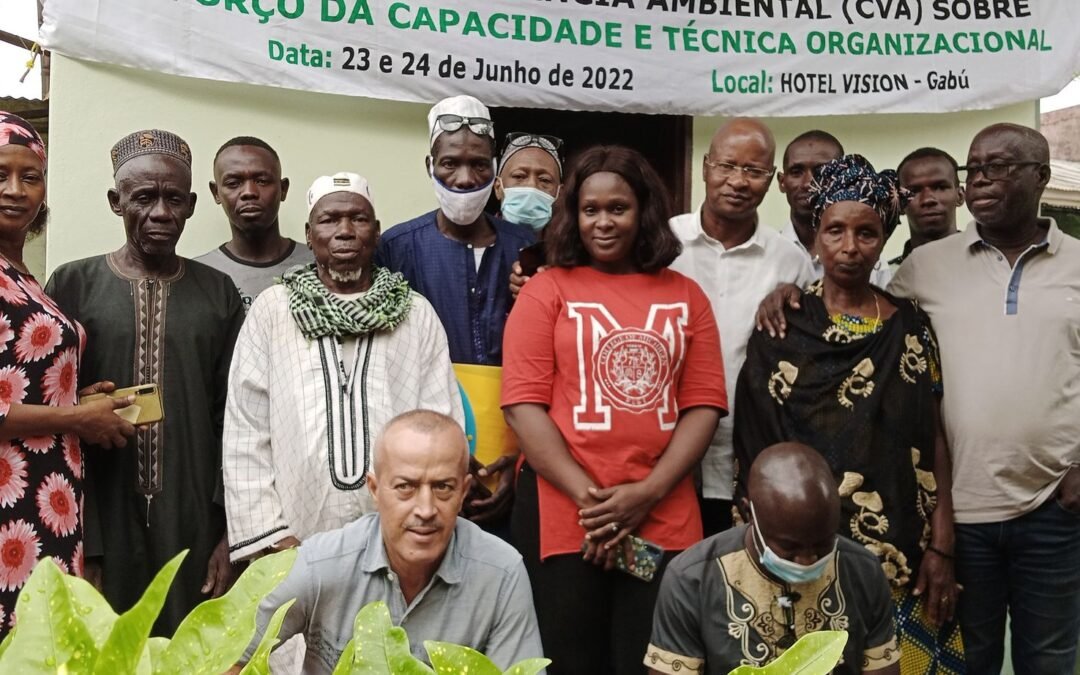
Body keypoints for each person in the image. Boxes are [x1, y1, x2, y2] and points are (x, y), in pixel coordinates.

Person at [502, 145, 727, 674]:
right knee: (568, 661)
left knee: (654, 661)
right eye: (589, 209)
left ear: (644, 210)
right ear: (573, 215)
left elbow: (703, 406)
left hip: (661, 514)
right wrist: (597, 509)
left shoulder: (687, 297)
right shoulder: (546, 291)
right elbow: (522, 404)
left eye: (617, 208)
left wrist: (643, 496)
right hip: (564, 515)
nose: (603, 222)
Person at [735, 155, 963, 674]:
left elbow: (936, 438)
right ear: (815, 234)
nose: (849, 246)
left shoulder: (910, 324)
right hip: (798, 553)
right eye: (835, 230)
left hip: (902, 551)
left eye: (867, 233)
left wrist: (943, 544)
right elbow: (755, 443)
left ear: (883, 239)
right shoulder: (784, 324)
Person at [888, 124, 1080, 674]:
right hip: (959, 518)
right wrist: (792, 295)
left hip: (1054, 509)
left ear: (1040, 176)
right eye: (975, 168)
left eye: (1000, 166)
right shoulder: (926, 267)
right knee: (967, 662)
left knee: (1049, 660)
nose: (982, 180)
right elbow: (865, 329)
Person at [46, 129, 246, 636]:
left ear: (194, 204)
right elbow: (53, 419)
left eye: (174, 199)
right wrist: (80, 541)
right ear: (117, 202)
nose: (161, 212)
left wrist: (226, 534)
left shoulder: (218, 292)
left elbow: (236, 418)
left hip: (193, 518)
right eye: (144, 198)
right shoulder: (73, 284)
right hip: (98, 515)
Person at [224, 171, 462, 562]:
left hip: (400, 539)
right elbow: (245, 432)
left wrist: (419, 524)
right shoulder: (273, 311)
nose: (345, 230)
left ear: (377, 232)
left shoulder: (415, 314)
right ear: (308, 233)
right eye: (330, 220)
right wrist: (273, 540)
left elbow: (440, 427)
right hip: (291, 542)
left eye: (358, 219)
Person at [229, 410, 544, 674]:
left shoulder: (501, 574)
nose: (425, 509)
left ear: (464, 492)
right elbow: (224, 658)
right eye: (406, 487)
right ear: (375, 490)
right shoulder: (320, 565)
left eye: (443, 487)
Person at [0, 112, 136, 637]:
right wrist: (78, 417)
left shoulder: (21, 272)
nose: (15, 190)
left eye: (29, 176)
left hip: (46, 496)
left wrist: (76, 393)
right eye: (1, 175)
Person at [668, 118, 814, 536]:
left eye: (753, 171)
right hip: (666, 458)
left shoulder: (790, 263)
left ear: (772, 181)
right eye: (727, 166)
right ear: (704, 167)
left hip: (750, 458)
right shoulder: (662, 242)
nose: (737, 181)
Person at [646, 442, 900, 674]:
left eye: (822, 544)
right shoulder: (692, 579)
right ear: (749, 514)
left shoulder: (862, 570)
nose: (807, 560)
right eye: (789, 548)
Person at [376, 95, 534, 367]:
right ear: (430, 166)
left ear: (494, 167)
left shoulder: (525, 246)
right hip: (424, 404)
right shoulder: (396, 248)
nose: (465, 179)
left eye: (479, 164)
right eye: (450, 163)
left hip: (510, 406)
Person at [194, 136, 311, 311]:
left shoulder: (318, 265)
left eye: (262, 181)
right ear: (216, 192)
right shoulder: (199, 276)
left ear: (283, 189)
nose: (249, 192)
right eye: (233, 183)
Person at [778, 131, 893, 288]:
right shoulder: (766, 255)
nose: (807, 183)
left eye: (820, 172)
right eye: (796, 172)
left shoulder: (871, 264)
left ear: (842, 179)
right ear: (782, 182)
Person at [888, 148, 964, 269]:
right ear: (899, 204)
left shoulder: (992, 267)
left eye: (940, 187)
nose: (928, 199)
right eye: (914, 191)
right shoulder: (883, 279)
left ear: (960, 196)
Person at [494, 132, 562, 231]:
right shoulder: (475, 241)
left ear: (560, 194)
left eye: (544, 180)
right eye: (519, 176)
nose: (532, 186)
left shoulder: (569, 246)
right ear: (498, 187)